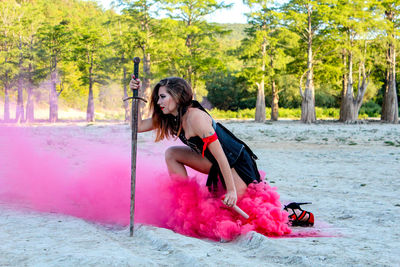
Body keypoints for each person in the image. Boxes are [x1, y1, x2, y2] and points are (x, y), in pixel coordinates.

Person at [129, 76, 314, 227]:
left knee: (245, 215)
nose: (159, 102)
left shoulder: (196, 118)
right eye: (158, 97)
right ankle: (185, 204)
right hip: (212, 162)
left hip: (235, 163)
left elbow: (222, 155)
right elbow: (137, 126)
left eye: (163, 97)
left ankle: (293, 213)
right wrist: (135, 96)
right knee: (172, 154)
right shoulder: (170, 117)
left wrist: (232, 191)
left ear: (177, 96)